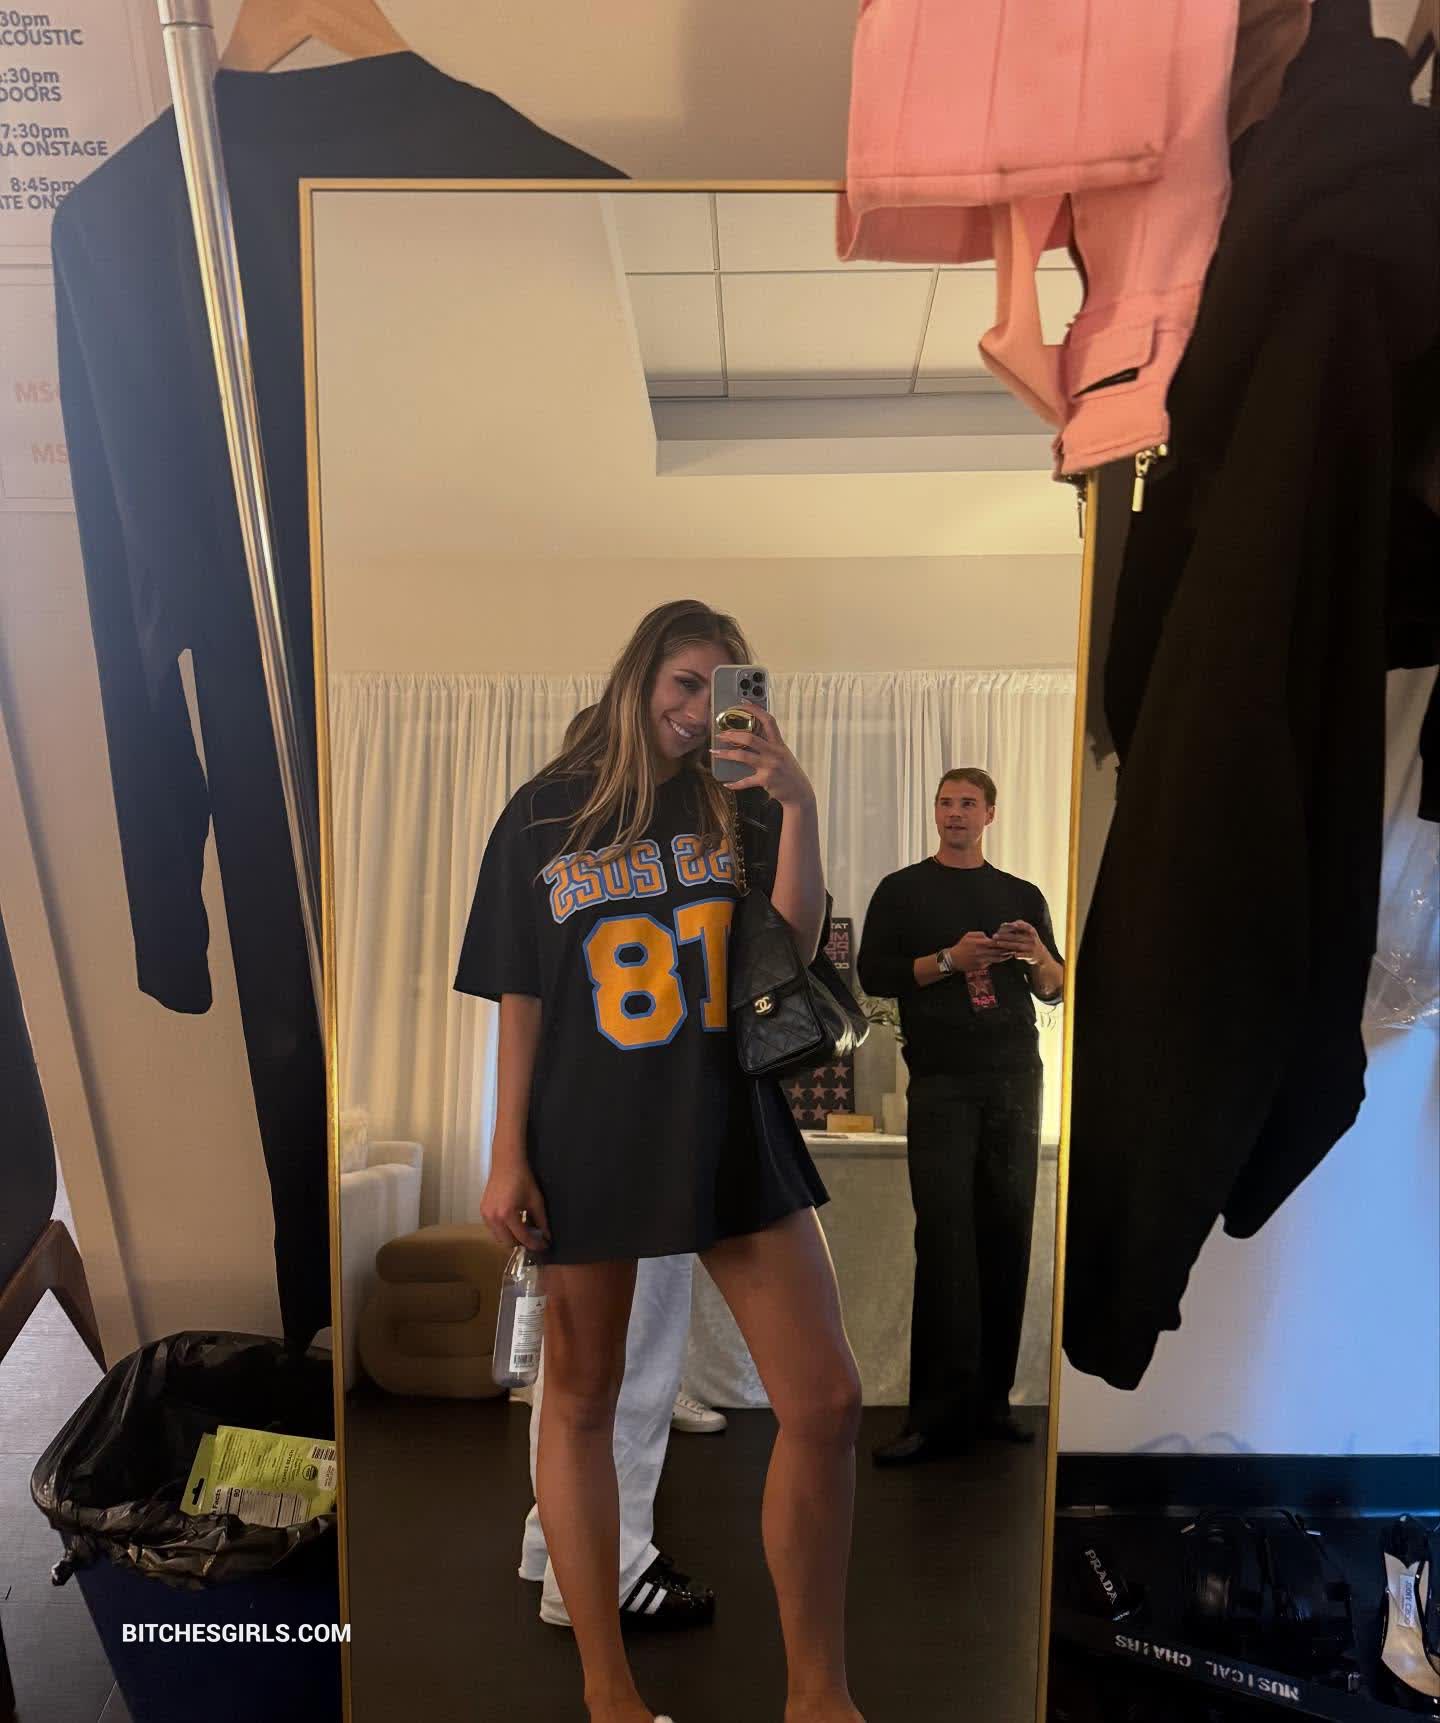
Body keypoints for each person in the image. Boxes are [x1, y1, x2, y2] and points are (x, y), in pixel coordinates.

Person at [455, 601, 865, 1723]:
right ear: (641, 676)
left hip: (729, 1116)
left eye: (722, 689)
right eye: (684, 682)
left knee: (826, 1400)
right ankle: (609, 1693)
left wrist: (797, 800)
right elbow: (522, 995)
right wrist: (506, 1152)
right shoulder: (543, 813)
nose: (696, 709)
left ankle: (819, 1694)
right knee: (581, 1401)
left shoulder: (740, 802)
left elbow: (792, 943)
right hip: (588, 1130)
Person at [515, 711, 724, 1635]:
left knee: (569, 1383)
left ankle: (550, 1547)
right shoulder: (641, 858)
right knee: (627, 1373)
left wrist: (515, 1149)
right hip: (639, 1136)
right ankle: (609, 1564)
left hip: (575, 1136)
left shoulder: (560, 855)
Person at [858, 767, 1064, 1466]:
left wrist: (1036, 953)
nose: (955, 813)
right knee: (945, 1241)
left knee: (1007, 1234)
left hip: (1016, 1079)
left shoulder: (1021, 895)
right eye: (945, 802)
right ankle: (934, 1415)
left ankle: (991, 1405)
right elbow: (876, 975)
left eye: (967, 803)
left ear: (990, 814)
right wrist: (952, 959)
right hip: (942, 1080)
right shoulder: (902, 891)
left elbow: (1054, 987)